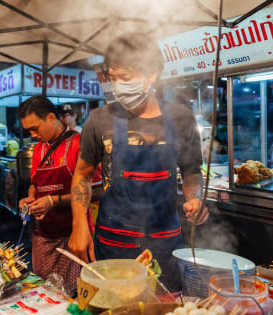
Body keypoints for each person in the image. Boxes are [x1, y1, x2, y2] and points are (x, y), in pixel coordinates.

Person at [68, 32, 209, 291]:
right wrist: (79, 225)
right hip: (113, 243)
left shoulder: (181, 118)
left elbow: (191, 170)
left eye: (126, 77)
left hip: (165, 243)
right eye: (113, 78)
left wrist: (195, 197)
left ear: (151, 74)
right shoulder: (99, 119)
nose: (118, 85)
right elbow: (82, 176)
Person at [18, 96, 102, 294]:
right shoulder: (38, 149)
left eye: (35, 128)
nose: (32, 135)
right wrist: (31, 197)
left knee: (71, 295)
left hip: (71, 236)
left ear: (50, 118)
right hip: (42, 236)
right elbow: (35, 184)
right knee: (44, 292)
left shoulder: (79, 144)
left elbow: (97, 190)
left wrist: (52, 201)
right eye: (28, 130)